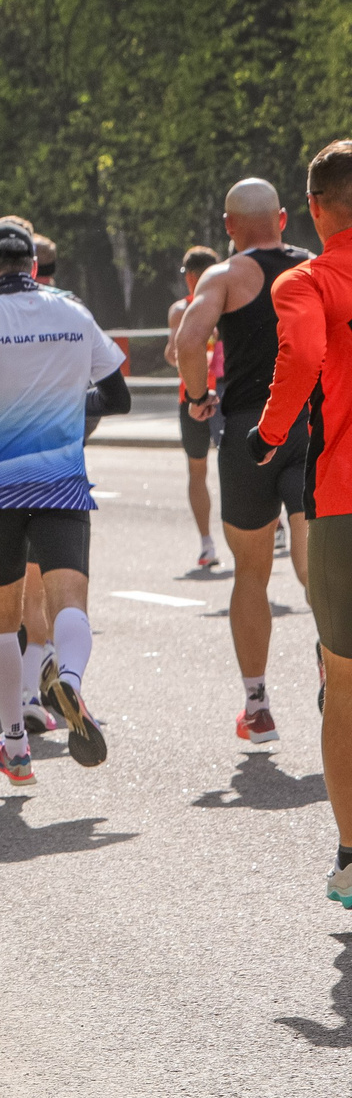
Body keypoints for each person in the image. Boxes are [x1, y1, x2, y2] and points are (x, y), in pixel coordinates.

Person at [0, 223, 130, 784]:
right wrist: (65, 398)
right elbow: (118, 396)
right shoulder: (73, 313)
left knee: (1, 619)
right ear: (36, 268)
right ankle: (69, 676)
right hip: (61, 482)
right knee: (69, 601)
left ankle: (15, 744)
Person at [175, 179, 316, 743]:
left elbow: (191, 341)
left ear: (229, 227)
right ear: (283, 219)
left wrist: (194, 398)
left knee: (252, 574)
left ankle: (256, 705)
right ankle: (336, 666)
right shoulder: (314, 266)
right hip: (312, 426)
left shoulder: (224, 275)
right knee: (317, 570)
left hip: (249, 437)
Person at [254, 138, 352, 906]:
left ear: (314, 208)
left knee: (343, 681)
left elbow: (306, 352)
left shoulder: (309, 279)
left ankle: (351, 855)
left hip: (345, 497)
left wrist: (269, 431)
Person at [167, 245, 223, 572]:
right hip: (197, 395)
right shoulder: (182, 310)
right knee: (201, 468)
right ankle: (207, 542)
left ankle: (209, 542)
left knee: (203, 470)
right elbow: (171, 353)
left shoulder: (225, 304)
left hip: (212, 395)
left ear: (188, 275)